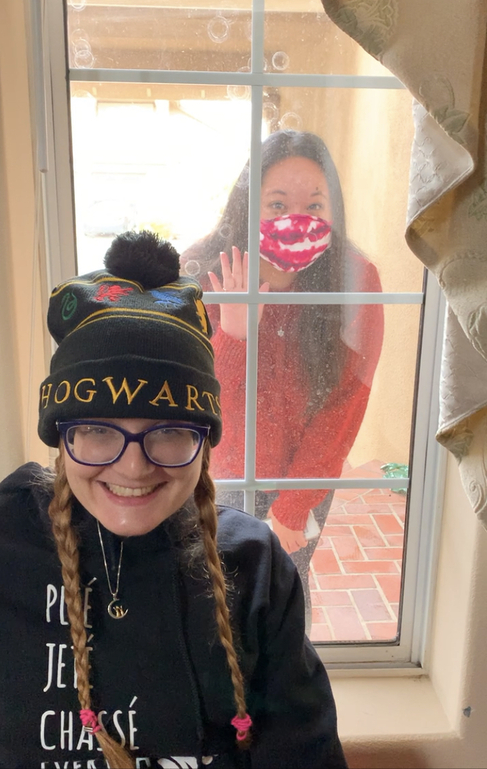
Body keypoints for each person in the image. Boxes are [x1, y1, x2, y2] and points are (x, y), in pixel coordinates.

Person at [0, 231, 347, 769]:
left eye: (169, 431)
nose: (134, 466)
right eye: (98, 430)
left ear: (203, 442)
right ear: (61, 436)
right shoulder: (3, 546)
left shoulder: (256, 569)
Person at [181, 130, 384, 624]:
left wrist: (294, 505)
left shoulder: (355, 279)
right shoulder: (203, 269)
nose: (297, 219)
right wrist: (234, 334)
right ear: (248, 203)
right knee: (217, 593)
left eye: (314, 205)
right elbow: (196, 402)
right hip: (222, 473)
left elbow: (346, 403)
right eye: (276, 204)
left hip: (306, 476)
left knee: (286, 593)